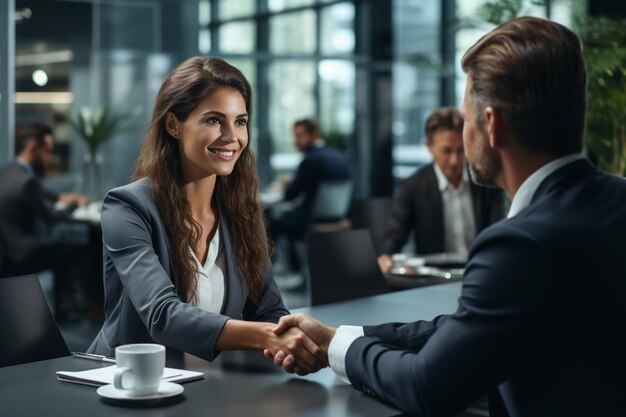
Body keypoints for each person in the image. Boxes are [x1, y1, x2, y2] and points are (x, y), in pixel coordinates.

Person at [268, 16, 626, 416]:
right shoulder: (617, 200)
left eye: (467, 118)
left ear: (491, 125)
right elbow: (466, 328)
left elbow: (427, 385)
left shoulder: (519, 244)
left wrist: (337, 349)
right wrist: (346, 335)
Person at [87, 57, 324, 374]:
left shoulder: (242, 210)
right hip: (129, 383)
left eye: (240, 122)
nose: (232, 136)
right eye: (214, 120)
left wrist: (293, 341)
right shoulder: (127, 207)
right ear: (173, 125)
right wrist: (269, 337)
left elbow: (269, 309)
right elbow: (162, 315)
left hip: (207, 380)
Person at [377, 107, 505, 273]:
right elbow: (395, 236)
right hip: (432, 279)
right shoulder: (412, 187)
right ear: (429, 146)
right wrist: (385, 256)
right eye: (447, 151)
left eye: (461, 151)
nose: (455, 160)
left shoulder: (487, 183)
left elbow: (498, 233)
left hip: (481, 271)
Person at [0, 124, 92, 316]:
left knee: (62, 250)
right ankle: (72, 307)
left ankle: (66, 304)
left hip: (7, 251)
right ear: (33, 148)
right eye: (47, 151)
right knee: (77, 250)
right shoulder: (27, 181)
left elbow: (40, 192)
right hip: (23, 254)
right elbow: (50, 218)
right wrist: (73, 206)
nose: (48, 158)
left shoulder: (8, 172)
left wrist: (62, 198)